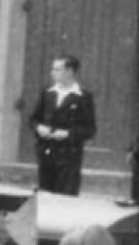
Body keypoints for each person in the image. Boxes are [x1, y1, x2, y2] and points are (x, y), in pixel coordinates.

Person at [28, 54, 96, 196]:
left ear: (70, 71)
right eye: (53, 69)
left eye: (57, 69)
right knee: (45, 193)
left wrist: (67, 134)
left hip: (69, 155)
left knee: (65, 195)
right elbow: (34, 119)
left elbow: (90, 129)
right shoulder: (48, 93)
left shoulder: (83, 96)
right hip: (47, 152)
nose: (53, 73)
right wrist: (39, 128)